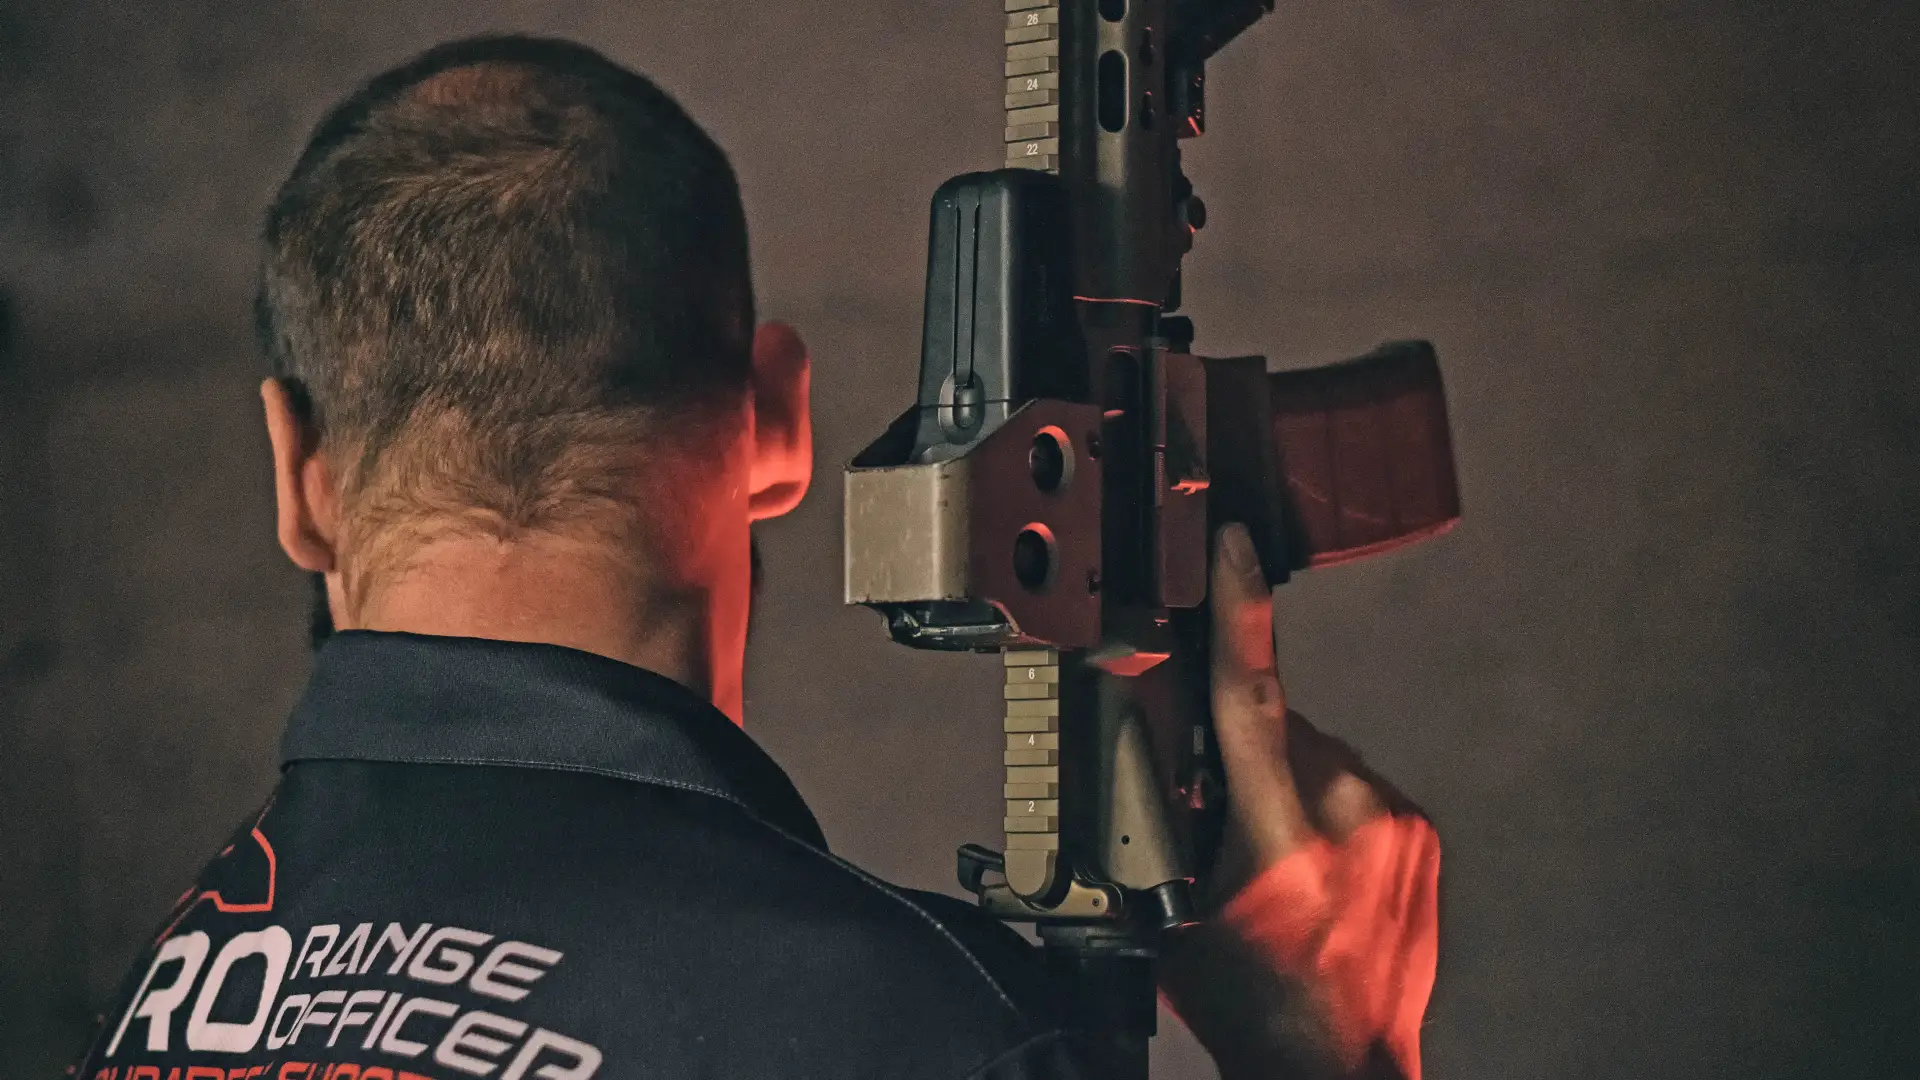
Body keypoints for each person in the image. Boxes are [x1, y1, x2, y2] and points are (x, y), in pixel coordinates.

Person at [71, 34, 1439, 1080]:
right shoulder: (922, 1034)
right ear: (780, 422)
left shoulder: (169, 1003)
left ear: (296, 476)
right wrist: (1332, 1061)